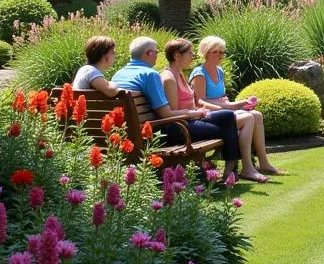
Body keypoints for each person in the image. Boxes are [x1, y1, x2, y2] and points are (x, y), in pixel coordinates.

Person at [111, 36, 246, 183]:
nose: (157, 54)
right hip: (168, 129)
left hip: (128, 132)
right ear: (148, 53)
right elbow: (166, 113)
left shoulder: (118, 74)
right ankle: (229, 170)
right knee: (230, 130)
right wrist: (193, 113)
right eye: (156, 51)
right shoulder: (150, 74)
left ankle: (227, 169)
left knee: (227, 118)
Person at [160, 38, 269, 183]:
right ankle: (235, 168)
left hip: (192, 119)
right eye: (189, 53)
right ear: (177, 55)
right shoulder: (169, 78)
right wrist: (196, 112)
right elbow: (172, 112)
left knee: (229, 117)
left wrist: (228, 105)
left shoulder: (179, 74)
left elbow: (193, 102)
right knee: (229, 123)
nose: (192, 56)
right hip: (181, 126)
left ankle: (237, 167)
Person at [190, 35, 281, 176]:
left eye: (222, 52)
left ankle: (263, 162)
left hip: (222, 111)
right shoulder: (199, 74)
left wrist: (239, 104)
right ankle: (247, 167)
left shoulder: (219, 71)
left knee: (257, 115)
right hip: (208, 115)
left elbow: (222, 99)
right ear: (206, 52)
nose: (220, 55)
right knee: (249, 118)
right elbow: (200, 102)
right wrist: (232, 106)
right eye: (215, 52)